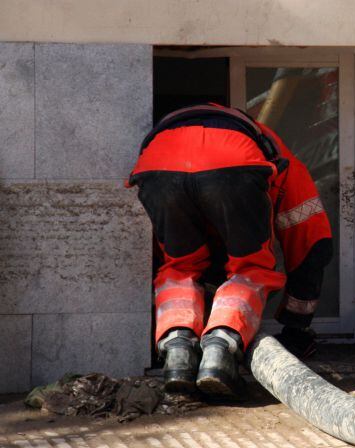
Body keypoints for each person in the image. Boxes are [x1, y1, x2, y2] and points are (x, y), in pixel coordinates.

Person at [128, 103, 332, 396]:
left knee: (180, 268)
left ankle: (177, 351)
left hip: (158, 163)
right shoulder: (283, 161)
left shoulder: (253, 143)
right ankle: (221, 352)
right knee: (251, 269)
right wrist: (297, 328)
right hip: (234, 162)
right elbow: (312, 244)